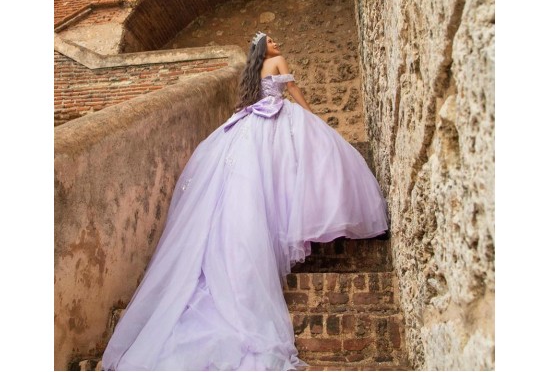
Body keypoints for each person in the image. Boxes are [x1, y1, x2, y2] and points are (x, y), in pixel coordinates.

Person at [102, 32, 388, 371]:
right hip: (275, 121)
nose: (278, 43)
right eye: (272, 40)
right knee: (289, 173)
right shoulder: (277, 63)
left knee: (253, 188)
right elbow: (294, 93)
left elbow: (251, 101)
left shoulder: (252, 73)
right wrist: (316, 119)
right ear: (264, 49)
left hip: (249, 127)